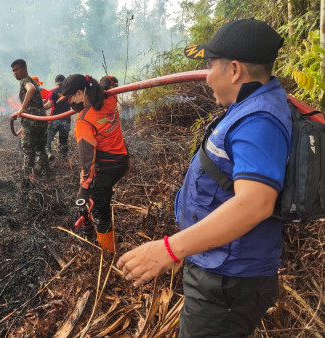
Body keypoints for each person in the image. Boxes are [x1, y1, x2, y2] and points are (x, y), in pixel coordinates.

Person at [117, 19, 291, 337]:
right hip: (217, 268)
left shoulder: (258, 121)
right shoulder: (248, 106)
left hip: (227, 282)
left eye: (210, 67)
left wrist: (170, 249)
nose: (206, 77)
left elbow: (256, 204)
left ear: (234, 70)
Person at [62, 74, 129, 252]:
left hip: (105, 169)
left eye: (69, 98)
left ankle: (109, 253)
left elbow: (87, 161)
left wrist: (83, 188)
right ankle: (89, 225)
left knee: (100, 210)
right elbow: (112, 78)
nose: (69, 103)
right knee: (95, 198)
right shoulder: (110, 98)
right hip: (121, 162)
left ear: (79, 93)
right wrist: (105, 83)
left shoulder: (83, 121)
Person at [10, 59, 49, 179]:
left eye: (17, 69)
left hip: (31, 122)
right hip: (41, 120)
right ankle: (45, 173)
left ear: (24, 68)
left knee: (28, 148)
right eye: (13, 71)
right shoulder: (31, 80)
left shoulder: (25, 81)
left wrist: (21, 109)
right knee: (40, 147)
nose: (15, 73)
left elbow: (31, 89)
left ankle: (27, 177)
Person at [44, 74, 71, 160]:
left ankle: (48, 154)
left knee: (48, 140)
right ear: (64, 82)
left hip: (54, 120)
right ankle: (64, 159)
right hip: (66, 120)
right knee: (63, 142)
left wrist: (39, 108)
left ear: (56, 83)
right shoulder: (69, 91)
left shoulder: (53, 91)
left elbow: (49, 105)